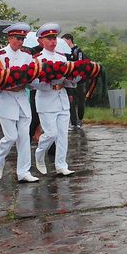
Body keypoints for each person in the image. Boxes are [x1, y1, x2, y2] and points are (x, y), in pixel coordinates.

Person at [0, 23, 40, 183]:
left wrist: (32, 82)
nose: (20, 42)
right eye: (18, 38)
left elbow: (34, 80)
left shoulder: (26, 55)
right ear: (10, 38)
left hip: (21, 98)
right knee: (11, 136)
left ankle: (23, 171)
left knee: (24, 138)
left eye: (23, 39)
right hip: (5, 99)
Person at [33, 23, 77, 176]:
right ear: (41, 41)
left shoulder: (62, 57)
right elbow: (33, 84)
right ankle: (39, 153)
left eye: (54, 38)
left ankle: (61, 165)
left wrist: (74, 78)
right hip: (46, 100)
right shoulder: (37, 59)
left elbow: (68, 80)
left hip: (61, 98)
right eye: (49, 38)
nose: (53, 41)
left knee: (63, 134)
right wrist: (49, 82)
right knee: (51, 133)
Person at [62, 33, 87, 129]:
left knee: (80, 100)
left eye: (64, 41)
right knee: (70, 101)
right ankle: (73, 122)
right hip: (68, 80)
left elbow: (81, 64)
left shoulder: (78, 51)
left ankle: (80, 119)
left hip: (79, 79)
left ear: (69, 40)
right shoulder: (64, 52)